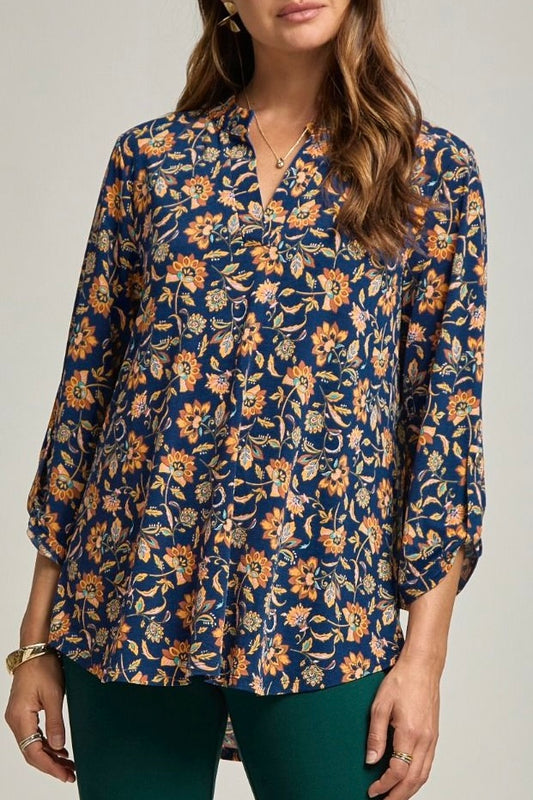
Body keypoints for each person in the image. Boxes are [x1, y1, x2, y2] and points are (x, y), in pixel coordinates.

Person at [4, 1, 488, 799]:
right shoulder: (151, 161)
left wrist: (423, 661)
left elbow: (442, 423)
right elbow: (86, 395)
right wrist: (34, 643)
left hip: (323, 604)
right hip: (127, 597)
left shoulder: (427, 171)